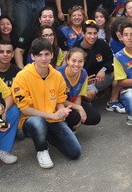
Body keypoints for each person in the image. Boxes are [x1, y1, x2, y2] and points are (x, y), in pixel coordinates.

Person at [11, 38, 81, 169]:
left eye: (47, 54)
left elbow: (60, 100)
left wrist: (61, 111)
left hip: (53, 119)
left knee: (75, 152)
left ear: (52, 55)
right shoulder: (22, 76)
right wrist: (51, 115)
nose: (43, 58)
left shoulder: (57, 76)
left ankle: (46, 135)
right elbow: (25, 109)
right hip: (30, 120)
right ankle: (42, 149)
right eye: (39, 55)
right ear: (32, 56)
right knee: (37, 122)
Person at [72, 21, 123, 113]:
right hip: (85, 82)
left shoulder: (101, 44)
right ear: (83, 33)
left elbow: (111, 60)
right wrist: (83, 80)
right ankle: (83, 102)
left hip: (101, 78)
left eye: (95, 33)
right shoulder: (76, 48)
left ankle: (112, 102)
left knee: (119, 73)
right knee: (90, 95)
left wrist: (103, 70)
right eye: (89, 33)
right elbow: (71, 69)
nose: (92, 36)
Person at [56, 48, 101, 130]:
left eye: (80, 61)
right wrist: (79, 109)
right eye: (73, 60)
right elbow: (57, 99)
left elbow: (79, 96)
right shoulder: (58, 74)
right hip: (59, 104)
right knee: (75, 117)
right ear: (68, 60)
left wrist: (80, 113)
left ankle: (72, 126)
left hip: (73, 102)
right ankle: (61, 128)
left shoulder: (83, 74)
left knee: (95, 117)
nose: (76, 64)